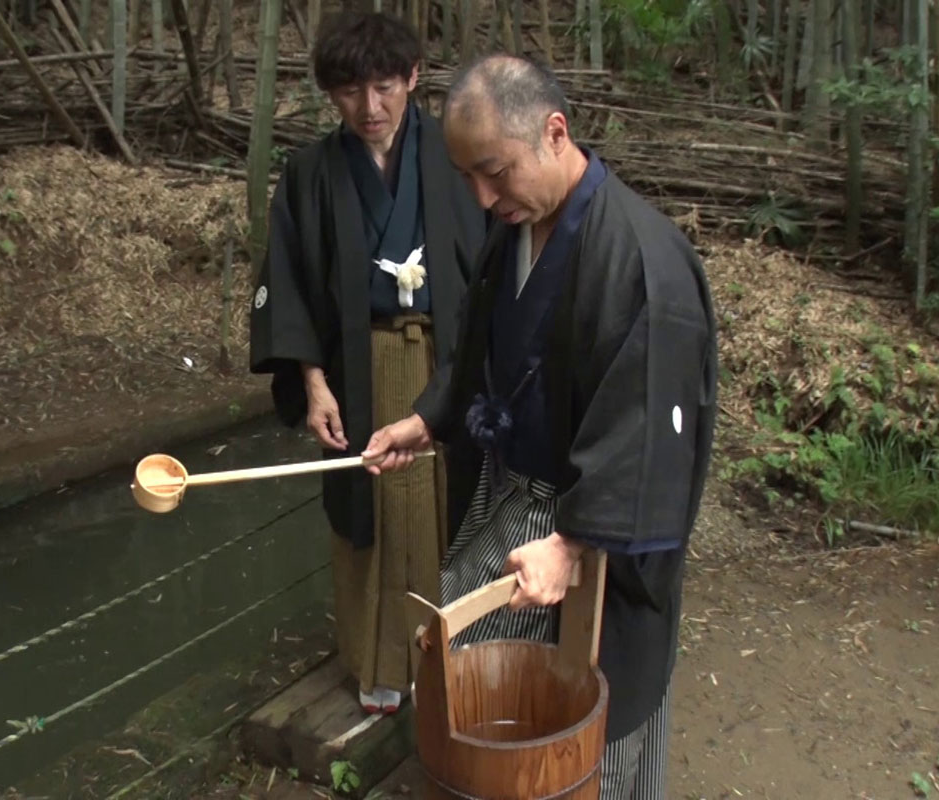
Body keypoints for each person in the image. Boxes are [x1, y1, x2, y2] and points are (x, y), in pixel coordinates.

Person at [361, 54, 718, 798]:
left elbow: (647, 434)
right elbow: (486, 353)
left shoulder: (641, 263)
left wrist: (577, 542)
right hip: (509, 508)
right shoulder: (518, 227)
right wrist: (429, 419)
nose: (485, 196)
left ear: (555, 132)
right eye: (467, 179)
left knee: (581, 732)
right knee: (476, 697)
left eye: (495, 171)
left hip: (586, 536)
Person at [247, 11, 487, 714]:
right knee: (367, 512)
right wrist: (313, 384)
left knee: (453, 505)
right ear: (332, 93)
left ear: (414, 78)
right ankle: (379, 663)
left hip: (450, 363)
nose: (370, 108)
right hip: (357, 365)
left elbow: (495, 267)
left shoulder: (454, 158)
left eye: (385, 87)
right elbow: (288, 281)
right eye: (351, 91)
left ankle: (455, 654)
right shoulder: (312, 172)